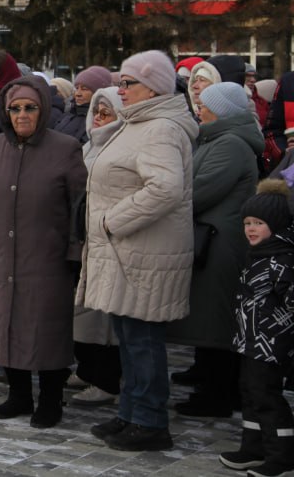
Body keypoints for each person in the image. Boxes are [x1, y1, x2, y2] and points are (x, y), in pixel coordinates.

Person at [80, 50, 197, 453]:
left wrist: (114, 220)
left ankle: (150, 422)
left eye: (128, 83)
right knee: (130, 338)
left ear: (155, 87)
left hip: (145, 252)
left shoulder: (161, 127)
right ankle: (131, 413)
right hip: (127, 253)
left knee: (143, 341)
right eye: (121, 82)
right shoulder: (139, 123)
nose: (120, 90)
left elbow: (165, 188)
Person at [0, 77, 88, 428]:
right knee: (6, 324)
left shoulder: (65, 148)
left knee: (46, 329)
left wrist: (75, 253)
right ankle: (18, 394)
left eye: (29, 108)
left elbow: (80, 207)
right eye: (15, 109)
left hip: (47, 258)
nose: (22, 115)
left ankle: (50, 399)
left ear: (42, 110)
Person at [166, 81, 262, 417]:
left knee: (218, 321)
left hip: (221, 243)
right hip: (210, 239)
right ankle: (208, 379)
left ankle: (219, 394)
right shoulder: (216, 139)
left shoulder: (231, 145)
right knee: (208, 317)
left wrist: (168, 193)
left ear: (221, 110)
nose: (199, 109)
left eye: (205, 104)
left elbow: (199, 190)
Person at [220, 180, 294, 475]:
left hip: (272, 344)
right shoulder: (260, 255)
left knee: (266, 396)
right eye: (247, 223)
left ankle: (283, 456)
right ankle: (253, 448)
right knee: (250, 393)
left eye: (259, 223)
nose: (250, 229)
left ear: (275, 225)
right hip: (249, 340)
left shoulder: (283, 260)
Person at [71, 87, 123, 407]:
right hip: (85, 237)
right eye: (97, 112)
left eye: (107, 113)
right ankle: (89, 369)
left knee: (105, 318)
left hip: (109, 239)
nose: (99, 118)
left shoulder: (121, 147)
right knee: (85, 311)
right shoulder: (90, 145)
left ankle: (106, 379)